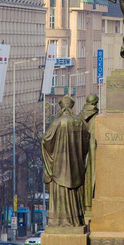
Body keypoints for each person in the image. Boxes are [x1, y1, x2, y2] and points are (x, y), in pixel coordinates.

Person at [42, 95, 91, 227]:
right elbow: (86, 141)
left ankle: (58, 220)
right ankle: (74, 219)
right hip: (75, 165)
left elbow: (46, 141)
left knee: (60, 192)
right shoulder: (79, 122)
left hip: (59, 165)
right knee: (74, 194)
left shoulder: (57, 122)